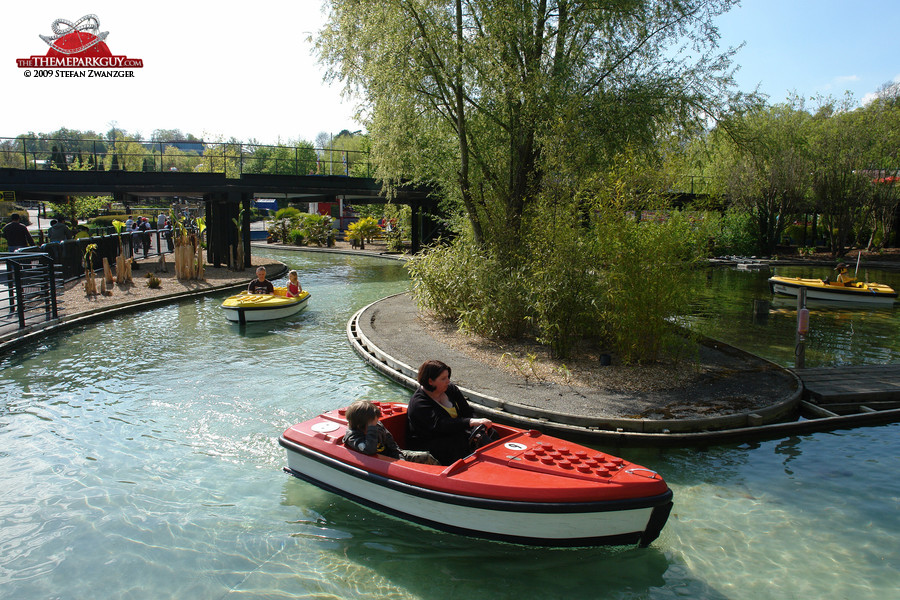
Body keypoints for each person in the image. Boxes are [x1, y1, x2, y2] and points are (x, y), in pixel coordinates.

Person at [406, 360, 494, 465]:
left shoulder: (450, 389)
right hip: (431, 443)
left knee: (490, 433)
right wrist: (470, 422)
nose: (448, 381)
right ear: (430, 381)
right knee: (457, 443)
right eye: (443, 379)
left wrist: (477, 427)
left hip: (455, 435)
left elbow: (467, 411)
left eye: (448, 377)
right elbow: (440, 425)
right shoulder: (419, 403)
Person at [343, 400, 439, 464]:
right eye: (373, 423)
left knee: (426, 456)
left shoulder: (378, 425)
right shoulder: (353, 437)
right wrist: (371, 430)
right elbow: (369, 449)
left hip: (392, 457)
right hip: (379, 464)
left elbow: (392, 445)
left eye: (376, 421)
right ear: (360, 426)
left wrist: (400, 460)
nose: (377, 424)